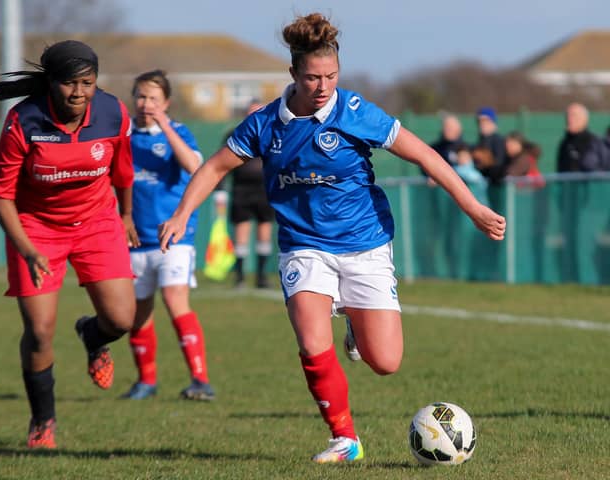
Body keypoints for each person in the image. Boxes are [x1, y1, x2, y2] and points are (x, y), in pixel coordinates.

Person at [158, 13, 506, 464]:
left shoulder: (355, 113)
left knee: (385, 362)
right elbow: (214, 167)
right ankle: (345, 438)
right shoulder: (266, 123)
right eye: (313, 77)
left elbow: (424, 153)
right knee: (309, 339)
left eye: (331, 76)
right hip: (304, 245)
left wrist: (473, 207)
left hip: (365, 244)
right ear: (293, 74)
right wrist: (183, 213)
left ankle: (352, 323)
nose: (323, 86)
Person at [0, 40, 136, 449]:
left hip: (97, 221)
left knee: (122, 319)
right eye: (69, 83)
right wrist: (27, 247)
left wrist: (125, 215)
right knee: (39, 331)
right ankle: (42, 421)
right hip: (36, 229)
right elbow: (0, 193)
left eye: (87, 82)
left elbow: (122, 170)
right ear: (51, 84)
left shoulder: (113, 112)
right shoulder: (24, 120)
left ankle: (93, 335)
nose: (79, 92)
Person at [122, 70, 215, 401]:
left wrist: (164, 125)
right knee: (137, 312)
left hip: (173, 238)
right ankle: (146, 381)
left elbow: (194, 167)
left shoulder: (178, 132)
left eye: (154, 99)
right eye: (141, 96)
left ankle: (200, 379)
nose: (146, 104)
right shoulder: (124, 134)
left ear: (166, 103)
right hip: (133, 239)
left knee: (175, 299)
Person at [216, 100, 275, 288]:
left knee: (264, 232)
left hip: (265, 190)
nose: (254, 116)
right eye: (251, 112)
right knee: (241, 233)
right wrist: (221, 192)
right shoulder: (234, 134)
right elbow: (220, 165)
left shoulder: (274, 134)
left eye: (258, 112)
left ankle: (261, 276)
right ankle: (240, 276)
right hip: (241, 190)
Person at [557, 103, 609, 172]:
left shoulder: (595, 143)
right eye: (567, 115)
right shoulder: (564, 144)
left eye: (574, 115)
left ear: (584, 119)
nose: (569, 119)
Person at [422, 114, 464, 185]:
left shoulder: (465, 148)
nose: (447, 129)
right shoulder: (434, 148)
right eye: (446, 126)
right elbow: (424, 165)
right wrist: (431, 175)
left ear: (458, 130)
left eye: (450, 127)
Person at [472, 106, 506, 181]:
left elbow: (499, 163)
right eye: (479, 121)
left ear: (493, 121)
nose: (481, 123)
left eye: (485, 120)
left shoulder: (498, 140)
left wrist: (485, 161)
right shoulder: (480, 141)